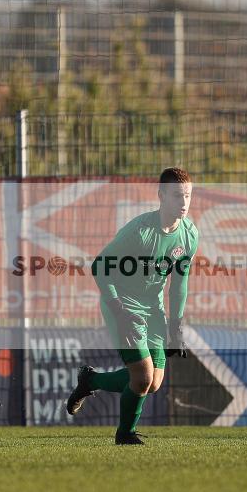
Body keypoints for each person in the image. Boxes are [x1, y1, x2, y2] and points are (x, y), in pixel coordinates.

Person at [66, 167, 199, 444]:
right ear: (161, 196)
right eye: (177, 196)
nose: (184, 202)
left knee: (153, 383)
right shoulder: (140, 231)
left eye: (187, 195)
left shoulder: (189, 235)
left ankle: (91, 382)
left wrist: (177, 327)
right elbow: (100, 266)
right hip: (122, 304)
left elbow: (179, 284)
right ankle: (124, 435)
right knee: (141, 378)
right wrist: (119, 311)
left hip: (153, 308)